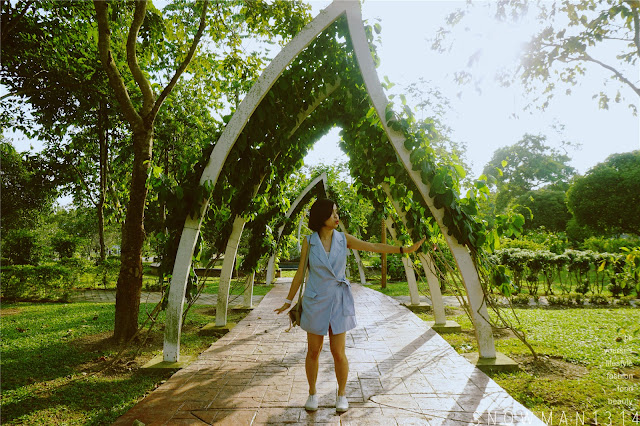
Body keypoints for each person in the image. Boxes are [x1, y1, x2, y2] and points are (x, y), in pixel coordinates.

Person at [274, 198, 425, 413]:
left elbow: (373, 246)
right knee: (313, 351)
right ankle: (312, 393)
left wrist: (405, 250)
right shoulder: (310, 241)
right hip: (315, 301)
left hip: (339, 301)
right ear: (321, 216)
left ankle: (342, 395)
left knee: (338, 352)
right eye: (332, 213)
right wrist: (288, 301)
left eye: (337, 212)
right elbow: (300, 273)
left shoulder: (343, 239)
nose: (336, 217)